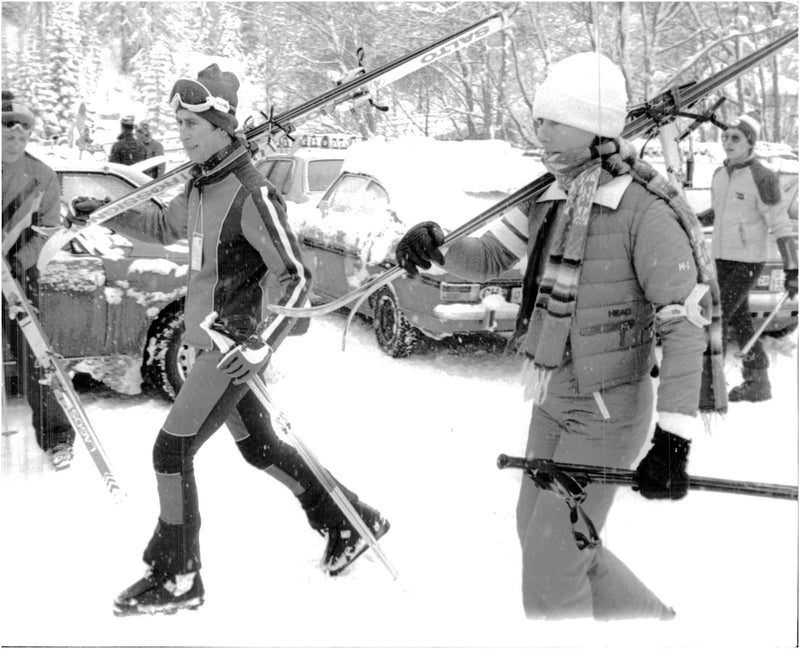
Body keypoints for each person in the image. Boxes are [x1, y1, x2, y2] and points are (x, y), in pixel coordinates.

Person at [395, 52, 727, 620]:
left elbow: (684, 320)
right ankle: (656, 628)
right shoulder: (551, 192)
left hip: (608, 410)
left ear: (589, 125)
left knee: (553, 559)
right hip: (552, 399)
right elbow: (494, 253)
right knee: (545, 539)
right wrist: (439, 248)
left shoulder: (644, 209)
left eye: (550, 119)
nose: (538, 128)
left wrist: (674, 437)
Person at [70, 64, 389, 617]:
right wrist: (106, 216)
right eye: (179, 122)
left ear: (222, 124)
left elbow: (297, 278)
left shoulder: (251, 193)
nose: (184, 131)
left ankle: (177, 576)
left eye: (195, 121)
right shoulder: (201, 184)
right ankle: (351, 518)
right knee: (260, 449)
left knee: (170, 452)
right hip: (210, 344)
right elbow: (165, 228)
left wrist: (261, 342)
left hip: (233, 350)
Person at [2, 91, 76, 469]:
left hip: (14, 276)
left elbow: (48, 229)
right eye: (7, 133)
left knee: (35, 357)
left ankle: (57, 436)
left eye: (22, 135)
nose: (15, 141)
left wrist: (19, 261)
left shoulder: (42, 175)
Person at [710, 114, 797, 402]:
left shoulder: (763, 177)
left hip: (748, 261)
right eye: (725, 136)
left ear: (750, 142)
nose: (728, 142)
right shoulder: (719, 175)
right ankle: (758, 381)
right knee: (739, 318)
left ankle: (709, 384)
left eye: (736, 137)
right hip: (721, 258)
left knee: (718, 315)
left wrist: (792, 268)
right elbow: (719, 214)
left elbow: (781, 224)